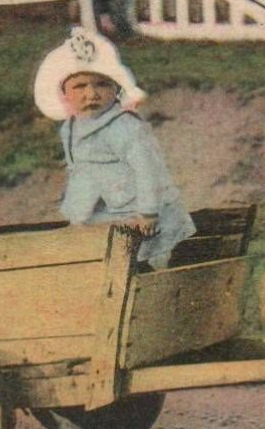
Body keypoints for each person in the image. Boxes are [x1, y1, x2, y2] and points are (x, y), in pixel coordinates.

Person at [33, 26, 195, 269]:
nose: (91, 94)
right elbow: (81, 173)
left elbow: (147, 169)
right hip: (112, 209)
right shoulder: (71, 129)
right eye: (79, 86)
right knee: (93, 251)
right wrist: (75, 217)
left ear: (117, 89)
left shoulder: (123, 126)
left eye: (102, 85)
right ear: (64, 93)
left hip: (142, 211)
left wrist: (148, 211)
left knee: (141, 259)